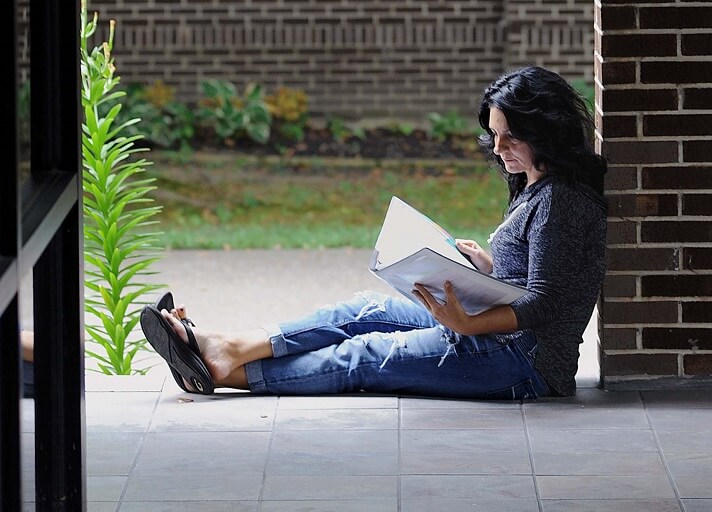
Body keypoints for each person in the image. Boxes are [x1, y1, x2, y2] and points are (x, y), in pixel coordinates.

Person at [140, 66, 607, 399]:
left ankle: (227, 370)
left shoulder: (561, 200)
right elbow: (538, 276)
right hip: (499, 332)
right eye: (494, 134)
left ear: (544, 131)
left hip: (525, 363)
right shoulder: (536, 185)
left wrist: (464, 323)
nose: (497, 148)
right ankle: (228, 345)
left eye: (510, 137)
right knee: (365, 308)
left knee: (363, 356)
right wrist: (485, 267)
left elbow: (545, 303)